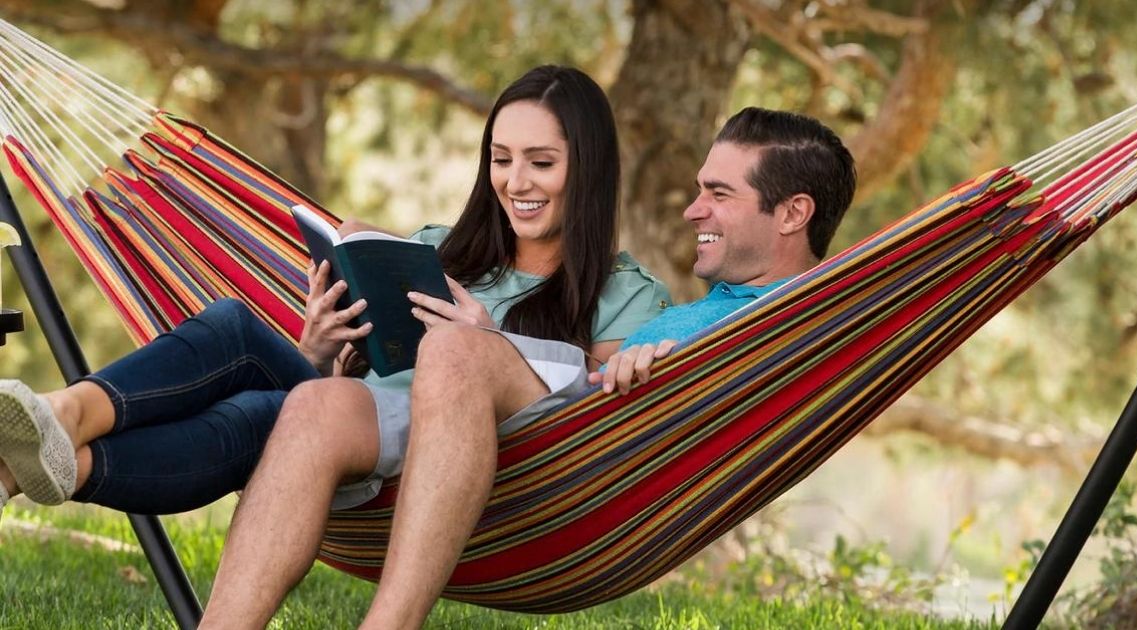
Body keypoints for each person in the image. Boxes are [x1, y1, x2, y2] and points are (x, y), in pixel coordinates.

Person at [198, 107, 856, 629]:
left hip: (579, 456)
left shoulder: (797, 319)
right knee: (317, 401)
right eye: (697, 192)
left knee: (456, 349)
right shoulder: (706, 308)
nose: (693, 211)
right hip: (538, 433)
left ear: (794, 213)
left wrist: (675, 370)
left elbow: (717, 395)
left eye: (718, 194)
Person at [0, 65, 669, 520]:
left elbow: (595, 433)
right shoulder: (440, 248)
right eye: (501, 158)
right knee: (240, 335)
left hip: (419, 464)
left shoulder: (626, 296)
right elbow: (365, 365)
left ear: (590, 166)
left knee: (267, 410)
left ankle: (59, 429)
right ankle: (60, 437)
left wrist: (484, 343)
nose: (516, 181)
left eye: (542, 162)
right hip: (341, 408)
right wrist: (321, 346)